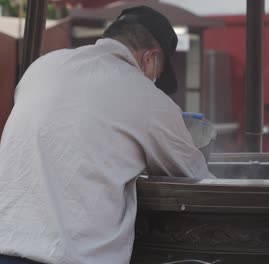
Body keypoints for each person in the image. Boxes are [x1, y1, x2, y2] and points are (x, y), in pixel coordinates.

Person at [0, 6, 214, 264]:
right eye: (158, 73)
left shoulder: (42, 67)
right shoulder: (146, 97)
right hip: (70, 256)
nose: (154, 80)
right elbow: (196, 175)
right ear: (150, 58)